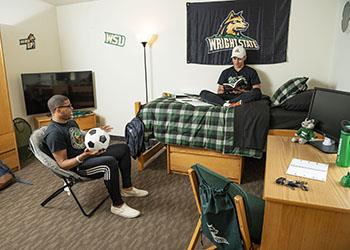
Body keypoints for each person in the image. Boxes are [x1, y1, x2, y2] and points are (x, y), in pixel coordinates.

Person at [42, 94, 148, 219]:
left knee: (123, 148)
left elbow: (78, 139)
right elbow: (63, 164)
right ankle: (117, 205)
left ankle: (127, 188)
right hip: (79, 166)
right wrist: (84, 156)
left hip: (88, 154)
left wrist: (97, 132)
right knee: (110, 162)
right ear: (58, 110)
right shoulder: (54, 134)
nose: (72, 108)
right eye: (68, 106)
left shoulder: (70, 122)